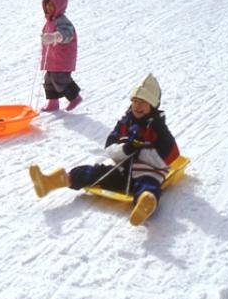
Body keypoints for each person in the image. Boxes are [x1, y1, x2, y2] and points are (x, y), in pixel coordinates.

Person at [29, 73, 180, 225]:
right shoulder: (125, 122)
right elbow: (110, 146)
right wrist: (126, 149)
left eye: (143, 102)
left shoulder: (158, 128)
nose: (137, 106)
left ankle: (145, 203)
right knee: (94, 172)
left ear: (152, 105)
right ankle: (51, 182)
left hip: (146, 170)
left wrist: (143, 152)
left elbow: (172, 154)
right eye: (134, 101)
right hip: (122, 169)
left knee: (148, 183)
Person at [40, 0, 81, 112]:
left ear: (59, 7)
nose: (48, 8)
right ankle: (53, 103)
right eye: (47, 5)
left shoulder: (62, 21)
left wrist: (54, 37)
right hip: (52, 58)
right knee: (49, 81)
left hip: (62, 58)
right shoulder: (50, 21)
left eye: (52, 5)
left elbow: (67, 34)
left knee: (60, 80)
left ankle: (75, 97)